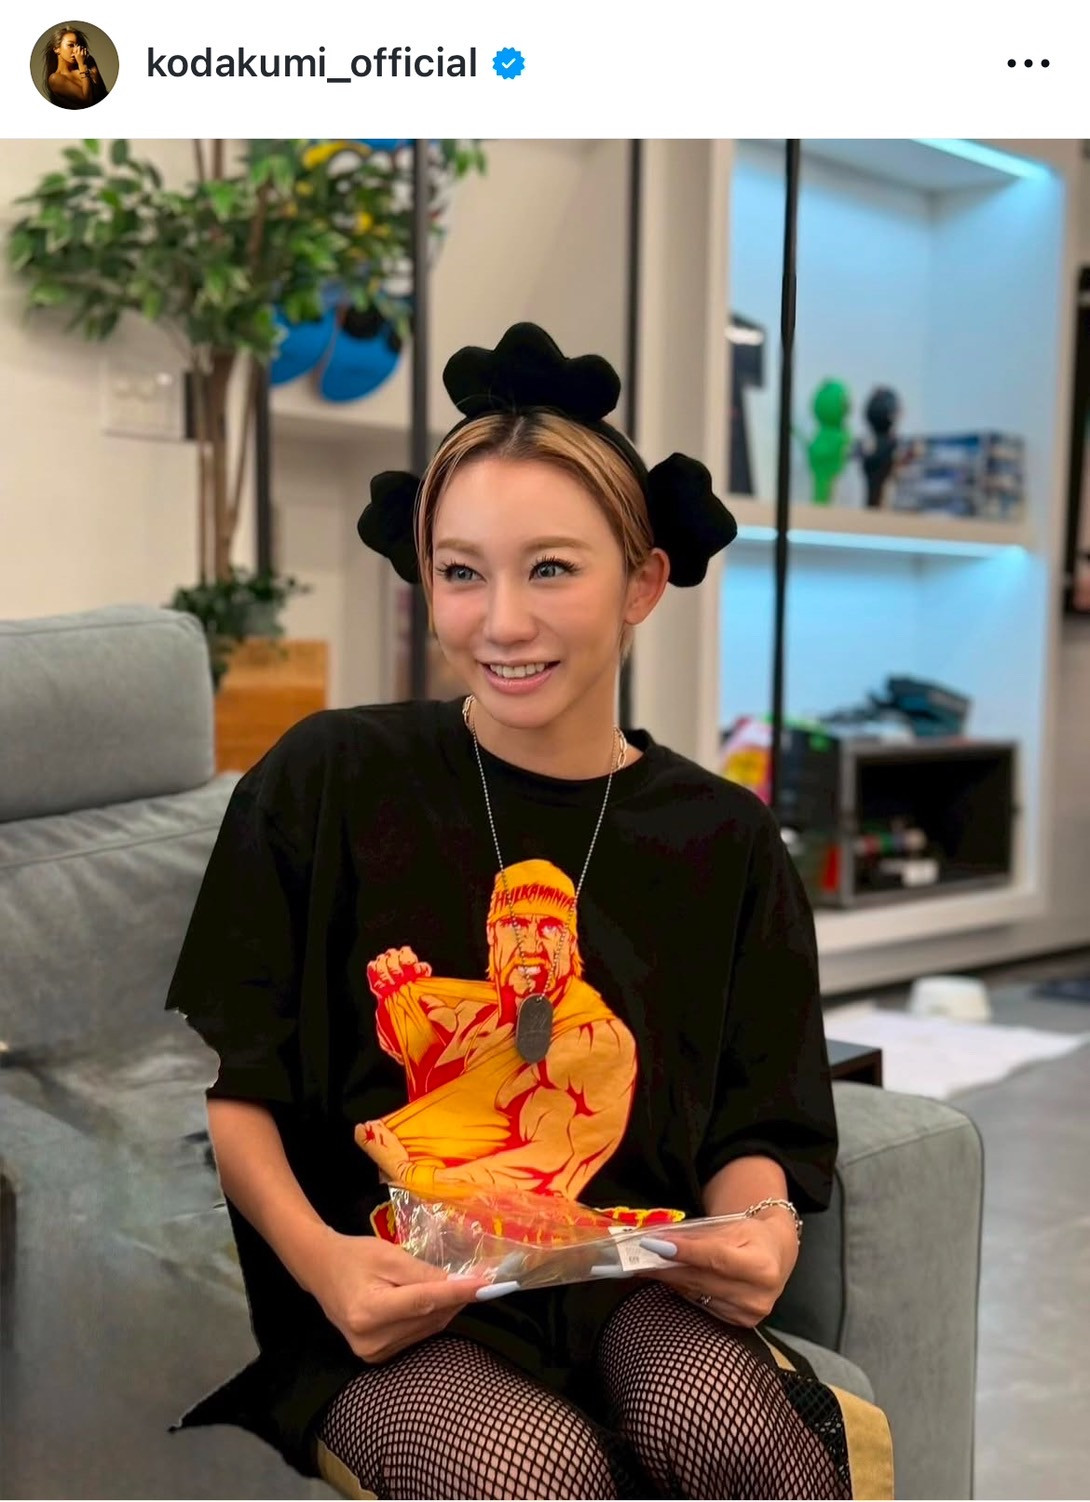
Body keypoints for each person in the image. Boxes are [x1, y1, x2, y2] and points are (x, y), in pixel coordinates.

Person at [166, 322, 894, 1499]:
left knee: (732, 1430)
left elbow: (753, 1117)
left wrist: (759, 1225)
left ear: (642, 581)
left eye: (550, 568)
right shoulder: (329, 777)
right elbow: (229, 1078)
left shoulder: (722, 837)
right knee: (532, 1469)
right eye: (462, 571)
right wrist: (324, 1262)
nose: (500, 621)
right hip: (391, 1288)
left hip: (627, 1278)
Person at [42, 25, 109, 108]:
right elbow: (87, 102)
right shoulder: (55, 79)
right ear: (56, 49)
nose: (76, 50)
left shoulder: (88, 63)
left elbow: (103, 95)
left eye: (78, 45)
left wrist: (92, 67)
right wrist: (82, 65)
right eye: (70, 45)